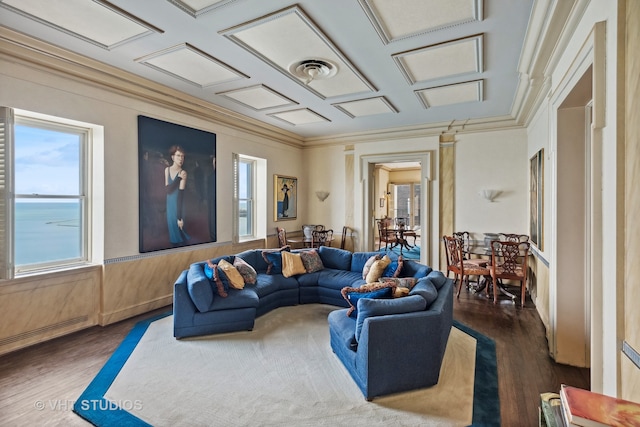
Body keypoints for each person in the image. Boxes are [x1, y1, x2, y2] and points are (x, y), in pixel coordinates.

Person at [165, 145, 190, 246]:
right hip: (169, 204)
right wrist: (178, 179)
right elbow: (168, 190)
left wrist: (179, 217)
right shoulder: (167, 170)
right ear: (172, 157)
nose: (181, 158)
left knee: (180, 232)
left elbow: (181, 195)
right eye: (178, 155)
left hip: (178, 205)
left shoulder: (183, 173)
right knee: (173, 234)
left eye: (182, 156)